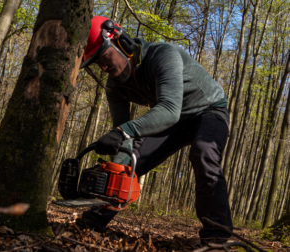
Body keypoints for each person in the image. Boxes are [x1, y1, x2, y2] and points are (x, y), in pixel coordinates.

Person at [77, 16, 233, 244]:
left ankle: (217, 237)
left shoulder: (163, 55)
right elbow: (124, 136)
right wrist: (119, 156)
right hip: (174, 120)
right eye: (96, 63)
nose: (103, 67)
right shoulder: (114, 86)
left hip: (208, 110)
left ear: (122, 43)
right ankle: (92, 222)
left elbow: (169, 110)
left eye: (104, 57)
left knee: (203, 152)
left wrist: (122, 132)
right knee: (129, 160)